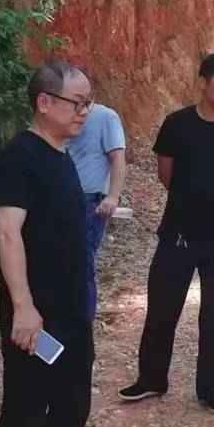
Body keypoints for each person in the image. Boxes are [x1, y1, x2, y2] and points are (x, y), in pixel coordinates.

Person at [0, 60, 96, 427]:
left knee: (73, 409)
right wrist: (24, 306)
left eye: (89, 102)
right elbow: (8, 234)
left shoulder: (61, 155)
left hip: (72, 313)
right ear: (44, 102)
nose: (85, 111)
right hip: (36, 318)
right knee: (23, 418)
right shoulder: (19, 158)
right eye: (78, 102)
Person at [118, 53, 214, 414]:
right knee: (162, 308)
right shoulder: (177, 124)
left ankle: (212, 389)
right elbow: (165, 174)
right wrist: (190, 198)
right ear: (203, 82)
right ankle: (151, 378)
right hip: (177, 231)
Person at [64, 87, 127, 316]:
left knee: (82, 265)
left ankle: (83, 324)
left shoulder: (105, 117)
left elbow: (118, 157)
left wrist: (112, 196)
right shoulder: (59, 117)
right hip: (58, 199)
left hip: (88, 201)